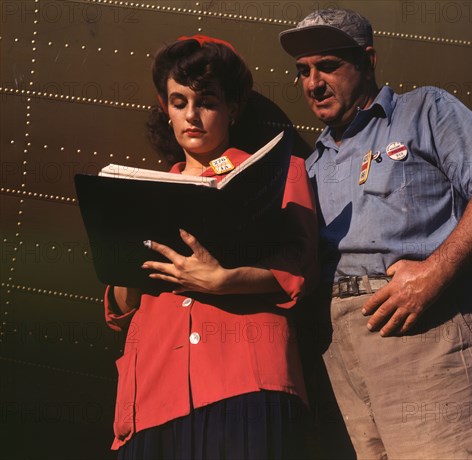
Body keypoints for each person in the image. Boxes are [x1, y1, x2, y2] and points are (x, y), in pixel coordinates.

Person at [279, 8, 472, 460]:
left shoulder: (423, 110)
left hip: (423, 327)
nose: (312, 83)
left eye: (328, 66)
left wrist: (434, 274)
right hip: (340, 346)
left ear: (367, 61)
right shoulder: (312, 164)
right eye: (303, 71)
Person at [103, 35, 318, 459]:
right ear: (165, 110)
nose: (192, 115)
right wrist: (120, 256)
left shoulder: (281, 172)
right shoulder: (145, 193)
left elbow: (303, 263)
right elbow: (122, 309)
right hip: (150, 398)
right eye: (178, 102)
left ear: (233, 108)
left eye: (207, 102)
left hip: (243, 385)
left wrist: (225, 281)